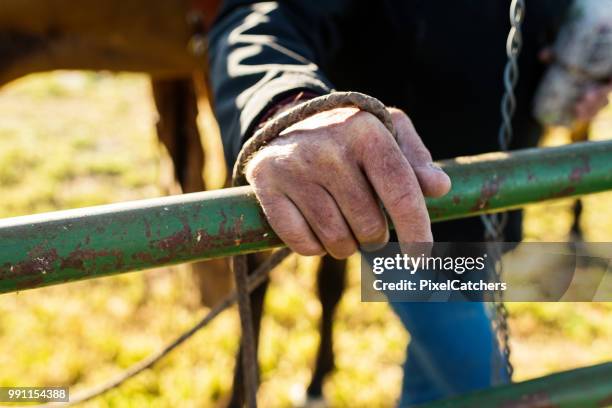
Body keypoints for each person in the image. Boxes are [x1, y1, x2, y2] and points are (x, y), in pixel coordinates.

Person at [207, 1, 611, 405]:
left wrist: (587, 47)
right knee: (486, 383)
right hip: (392, 205)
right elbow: (260, 20)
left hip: (491, 202)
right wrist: (288, 106)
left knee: (432, 381)